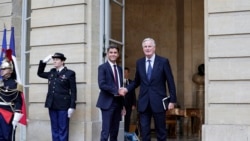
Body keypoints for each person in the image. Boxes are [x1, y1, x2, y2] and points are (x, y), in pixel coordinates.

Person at [120, 38, 177, 141]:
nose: (147, 48)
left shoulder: (163, 61)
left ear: (154, 48)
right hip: (144, 102)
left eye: (149, 46)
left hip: (159, 102)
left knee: (161, 132)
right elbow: (137, 81)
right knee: (145, 132)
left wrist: (172, 100)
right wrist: (127, 89)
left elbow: (170, 82)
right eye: (145, 46)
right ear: (142, 49)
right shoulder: (139, 62)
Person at [37, 52, 77, 141]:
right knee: (54, 128)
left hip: (63, 105)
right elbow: (40, 73)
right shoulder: (52, 72)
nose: (54, 61)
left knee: (63, 129)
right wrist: (44, 61)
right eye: (53, 60)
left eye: (57, 60)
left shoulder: (70, 73)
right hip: (52, 104)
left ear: (62, 61)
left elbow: (73, 91)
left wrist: (72, 106)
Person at [96, 45, 125, 141]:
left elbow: (120, 85)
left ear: (118, 54)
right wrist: (117, 91)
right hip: (107, 103)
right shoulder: (102, 67)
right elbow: (102, 84)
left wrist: (123, 106)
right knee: (106, 131)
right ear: (107, 54)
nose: (113, 54)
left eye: (115, 52)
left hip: (118, 103)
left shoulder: (120, 69)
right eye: (111, 52)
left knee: (115, 131)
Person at [0, 50, 23, 141]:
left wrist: (16, 117)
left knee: (7, 136)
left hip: (8, 113)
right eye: (1, 69)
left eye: (4, 69)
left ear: (10, 70)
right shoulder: (1, 82)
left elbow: (18, 101)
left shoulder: (15, 84)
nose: (2, 71)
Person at [123, 67, 136, 133]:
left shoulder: (131, 82)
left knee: (128, 119)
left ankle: (126, 133)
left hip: (129, 104)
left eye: (126, 72)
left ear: (128, 73)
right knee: (122, 119)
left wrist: (134, 104)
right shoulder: (121, 81)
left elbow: (133, 93)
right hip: (121, 104)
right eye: (124, 72)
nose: (125, 74)